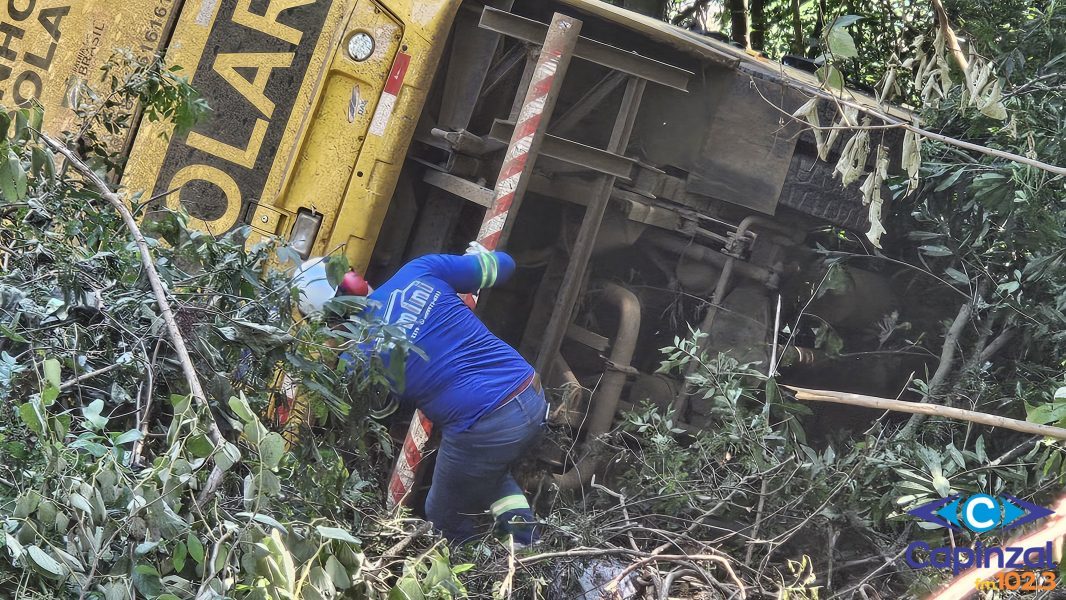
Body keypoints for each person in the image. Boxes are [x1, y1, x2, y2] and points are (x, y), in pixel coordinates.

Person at [296, 245, 546, 545]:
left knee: (442, 515)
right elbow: (505, 265)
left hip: (485, 426)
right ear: (352, 277)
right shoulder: (419, 270)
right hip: (530, 392)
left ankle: (486, 578)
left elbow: (376, 413)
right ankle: (527, 548)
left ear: (327, 320)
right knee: (484, 474)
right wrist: (479, 263)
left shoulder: (359, 361)